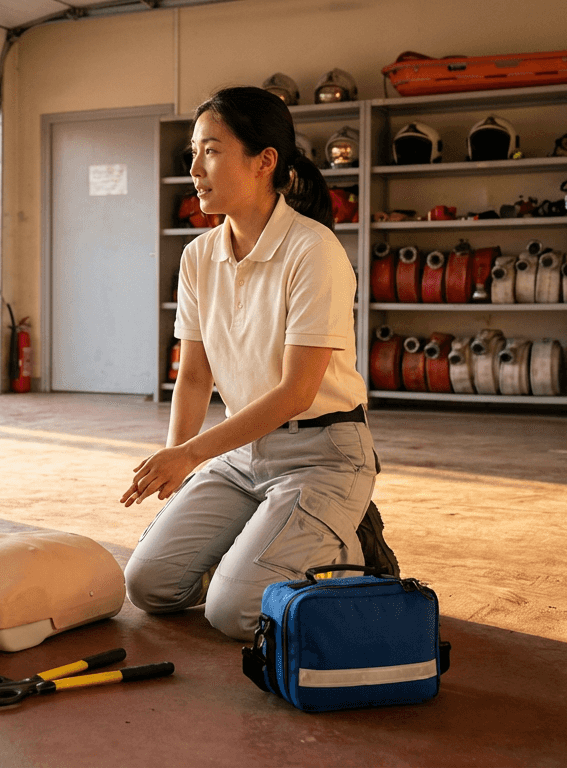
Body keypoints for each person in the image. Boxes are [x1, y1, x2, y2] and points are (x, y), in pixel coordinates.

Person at [120, 86, 397, 642]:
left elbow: (297, 392)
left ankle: (352, 544)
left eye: (212, 151)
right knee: (149, 586)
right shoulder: (199, 257)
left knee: (235, 613)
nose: (195, 167)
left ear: (265, 161)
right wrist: (179, 458)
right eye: (193, 153)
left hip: (323, 455)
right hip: (243, 454)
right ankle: (266, 543)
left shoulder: (313, 251)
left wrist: (194, 452)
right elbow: (195, 375)